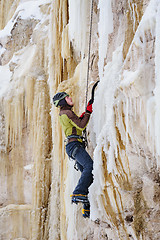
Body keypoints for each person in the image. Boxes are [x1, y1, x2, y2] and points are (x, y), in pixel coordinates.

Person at [53, 91, 94, 217]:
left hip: (72, 147)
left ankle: (87, 206)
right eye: (67, 97)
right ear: (63, 101)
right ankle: (78, 192)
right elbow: (81, 126)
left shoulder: (63, 113)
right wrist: (88, 112)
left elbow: (75, 125)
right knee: (90, 167)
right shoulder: (68, 112)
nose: (70, 98)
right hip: (74, 145)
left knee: (88, 175)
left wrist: (81, 117)